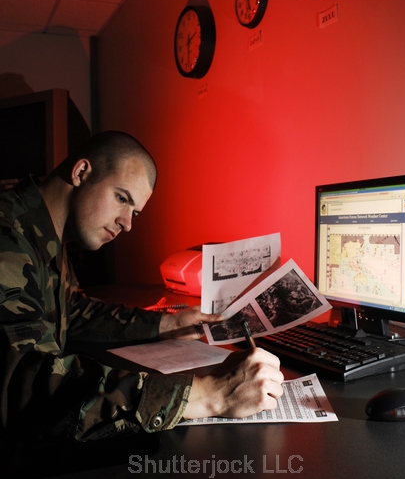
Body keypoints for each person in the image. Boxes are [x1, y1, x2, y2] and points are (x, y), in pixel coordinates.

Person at [0, 131, 283, 444]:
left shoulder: (41, 233)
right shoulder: (7, 237)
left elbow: (73, 311)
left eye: (134, 212)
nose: (127, 223)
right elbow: (24, 383)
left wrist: (166, 324)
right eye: (122, 198)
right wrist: (207, 395)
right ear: (81, 172)